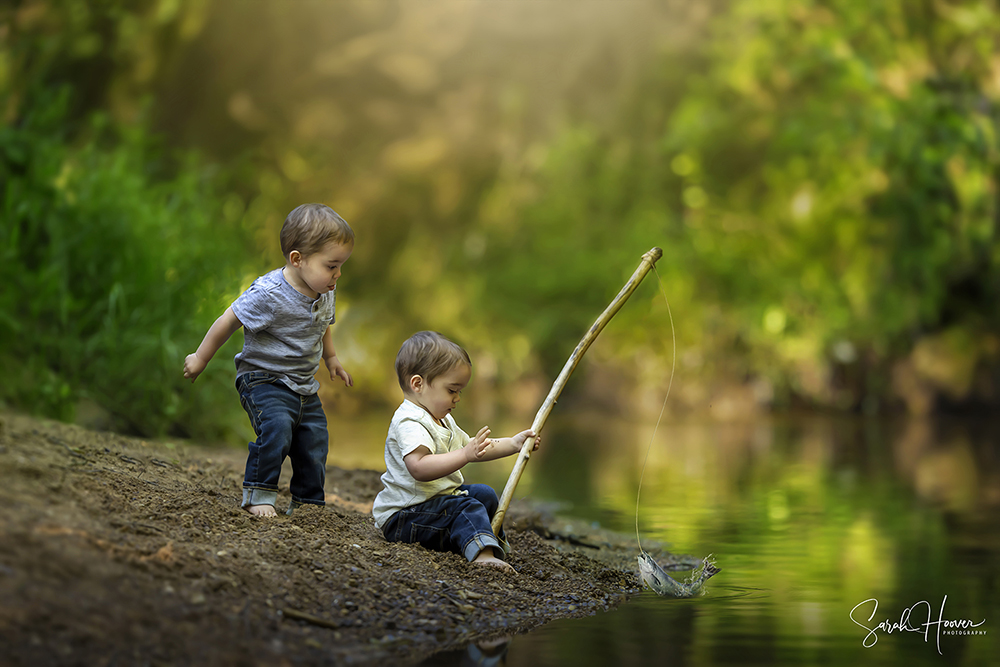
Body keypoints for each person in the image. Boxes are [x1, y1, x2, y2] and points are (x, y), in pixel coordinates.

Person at [182, 203, 354, 517]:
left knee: (314, 439)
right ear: (297, 259)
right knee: (276, 427)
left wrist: (331, 358)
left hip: (302, 384)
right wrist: (200, 357)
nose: (338, 274)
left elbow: (323, 324)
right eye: (332, 266)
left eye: (341, 265)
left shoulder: (325, 290)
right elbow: (228, 319)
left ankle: (307, 503)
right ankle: (258, 493)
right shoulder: (269, 293)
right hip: (263, 378)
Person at [372, 331, 540, 572]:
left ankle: (488, 542)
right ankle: (482, 555)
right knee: (465, 508)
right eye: (452, 390)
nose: (458, 398)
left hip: (432, 506)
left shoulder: (442, 420)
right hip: (405, 517)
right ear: (418, 384)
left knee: (484, 494)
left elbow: (475, 446)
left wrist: (513, 444)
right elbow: (418, 467)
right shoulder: (409, 421)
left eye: (459, 391)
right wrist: (465, 455)